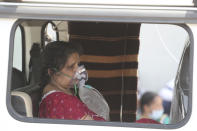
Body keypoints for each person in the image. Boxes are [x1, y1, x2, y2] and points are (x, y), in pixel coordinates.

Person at [39, 41, 105, 121]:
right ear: (52, 72)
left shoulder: (64, 93)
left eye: (78, 64)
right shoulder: (61, 102)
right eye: (71, 67)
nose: (78, 70)